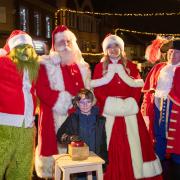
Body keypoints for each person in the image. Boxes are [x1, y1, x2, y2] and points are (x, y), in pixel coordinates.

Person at [91, 34, 162, 180]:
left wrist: (129, 104)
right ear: (105, 50)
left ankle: (136, 173)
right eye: (109, 47)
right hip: (108, 112)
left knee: (136, 144)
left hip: (130, 113)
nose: (113, 49)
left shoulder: (131, 66)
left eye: (116, 46)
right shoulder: (99, 67)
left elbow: (136, 89)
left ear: (121, 48)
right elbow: (97, 91)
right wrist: (111, 104)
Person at [35, 25, 91, 178]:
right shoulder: (45, 64)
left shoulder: (81, 66)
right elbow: (41, 89)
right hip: (55, 117)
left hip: (78, 118)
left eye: (68, 42)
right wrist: (66, 102)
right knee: (56, 160)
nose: (65, 46)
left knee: (78, 159)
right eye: (61, 42)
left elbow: (87, 89)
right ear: (55, 45)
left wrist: (86, 101)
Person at [0, 30, 39, 180]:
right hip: (5, 125)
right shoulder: (4, 63)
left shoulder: (34, 69)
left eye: (28, 47)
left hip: (27, 127)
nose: (25, 50)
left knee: (21, 168)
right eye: (20, 46)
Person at [141, 39, 180, 178]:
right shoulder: (159, 67)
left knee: (176, 136)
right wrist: (145, 109)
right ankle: (158, 163)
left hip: (175, 109)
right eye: (170, 52)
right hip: (158, 106)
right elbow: (148, 90)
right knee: (159, 134)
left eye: (176, 53)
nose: (172, 55)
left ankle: (176, 166)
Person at [57, 88, 108, 179]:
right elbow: (59, 135)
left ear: (92, 102)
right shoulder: (73, 119)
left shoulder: (100, 120)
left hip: (95, 161)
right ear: (77, 103)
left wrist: (104, 161)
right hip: (78, 162)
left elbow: (103, 143)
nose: (85, 105)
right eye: (81, 102)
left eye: (88, 102)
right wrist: (70, 138)